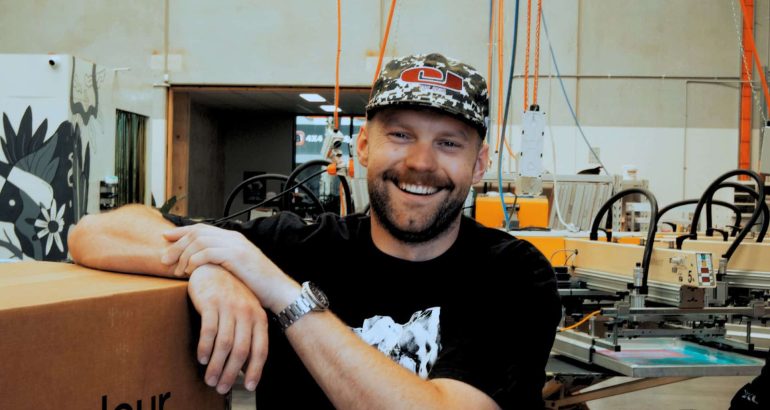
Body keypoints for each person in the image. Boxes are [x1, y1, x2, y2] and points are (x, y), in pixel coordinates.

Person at [68, 53, 561, 409]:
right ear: (363, 147)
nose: (420, 163)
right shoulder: (301, 245)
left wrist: (281, 293)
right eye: (400, 135)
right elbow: (94, 233)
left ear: (479, 165)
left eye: (448, 143)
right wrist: (209, 267)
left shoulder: (513, 275)